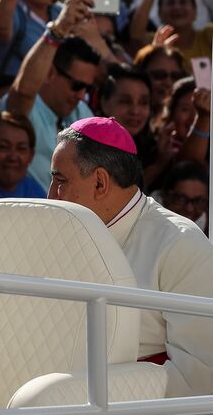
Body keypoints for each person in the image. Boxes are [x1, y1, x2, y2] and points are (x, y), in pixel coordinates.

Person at [49, 117, 213, 397]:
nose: (51, 196)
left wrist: (81, 394)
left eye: (60, 181)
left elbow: (198, 375)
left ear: (100, 183)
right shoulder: (56, 229)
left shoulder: (180, 243)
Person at [2, 0, 102, 188]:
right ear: (50, 73)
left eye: (87, 88)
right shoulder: (25, 107)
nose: (82, 95)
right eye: (77, 85)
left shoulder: (83, 113)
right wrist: (58, 29)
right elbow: (23, 91)